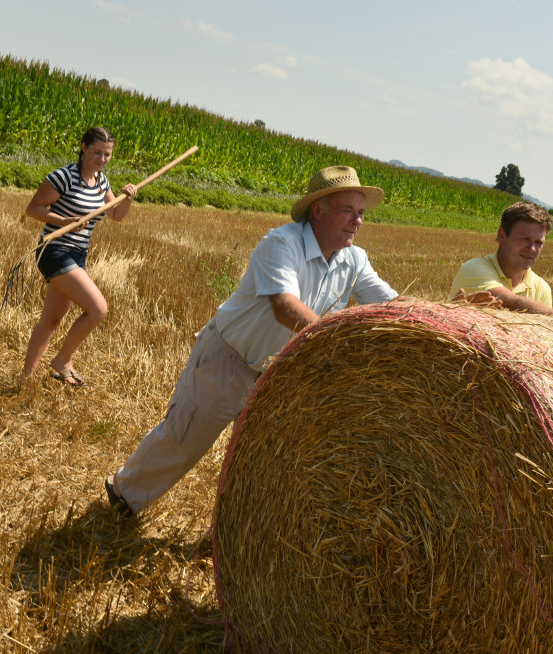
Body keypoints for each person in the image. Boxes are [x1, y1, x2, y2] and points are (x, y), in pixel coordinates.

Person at [105, 165, 408, 517]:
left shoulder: (354, 260)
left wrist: (445, 314)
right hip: (228, 360)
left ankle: (228, 535)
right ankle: (123, 495)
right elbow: (285, 308)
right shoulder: (283, 243)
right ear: (319, 210)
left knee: (255, 462)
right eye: (347, 211)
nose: (357, 221)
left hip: (274, 374)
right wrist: (336, 341)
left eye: (361, 213)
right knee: (183, 441)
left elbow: (390, 304)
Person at [22, 127, 137, 385]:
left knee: (51, 320)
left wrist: (127, 198)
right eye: (97, 152)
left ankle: (25, 379)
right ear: (84, 147)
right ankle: (63, 360)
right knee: (98, 309)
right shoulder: (63, 177)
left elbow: (116, 215)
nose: (102, 159)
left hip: (77, 254)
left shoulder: (101, 182)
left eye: (107, 155)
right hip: (54, 251)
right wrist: (65, 220)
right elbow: (33, 209)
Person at [448, 201, 553, 317]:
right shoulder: (473, 268)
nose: (532, 249)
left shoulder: (542, 288)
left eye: (538, 242)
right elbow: (508, 302)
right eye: (525, 239)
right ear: (502, 235)